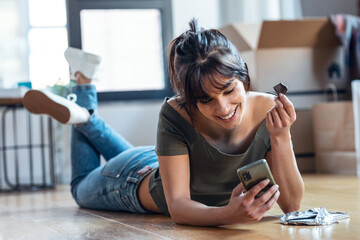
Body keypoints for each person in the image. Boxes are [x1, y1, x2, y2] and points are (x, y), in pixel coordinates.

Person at [23, 19, 304, 226]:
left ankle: (84, 106)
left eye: (229, 90)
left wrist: (281, 136)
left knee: (128, 154)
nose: (223, 107)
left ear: (243, 75)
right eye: (205, 100)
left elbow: (291, 205)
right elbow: (178, 206)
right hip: (130, 182)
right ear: (189, 99)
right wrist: (227, 215)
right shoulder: (175, 113)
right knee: (79, 186)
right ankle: (83, 110)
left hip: (165, 163)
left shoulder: (270, 110)